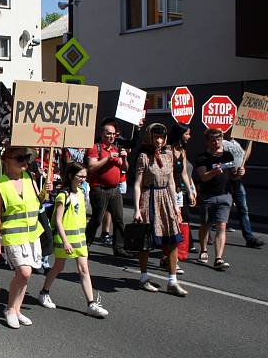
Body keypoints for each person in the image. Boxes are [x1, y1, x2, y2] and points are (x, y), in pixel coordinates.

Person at [38, 162, 108, 316]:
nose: (83, 179)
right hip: (65, 238)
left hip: (80, 238)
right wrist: (65, 241)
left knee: (84, 269)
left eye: (85, 176)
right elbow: (57, 220)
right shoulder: (63, 195)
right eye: (80, 176)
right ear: (71, 176)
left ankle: (91, 304)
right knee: (58, 267)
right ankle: (44, 292)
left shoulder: (81, 193)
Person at [0, 146, 48, 329]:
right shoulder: (0, 183)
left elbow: (38, 202)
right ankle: (9, 309)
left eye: (26, 157)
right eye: (19, 158)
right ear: (6, 160)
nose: (24, 161)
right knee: (24, 272)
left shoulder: (29, 177)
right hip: (13, 235)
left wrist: (45, 191)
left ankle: (16, 309)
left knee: (25, 274)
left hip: (32, 234)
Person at [132, 123, 188, 295]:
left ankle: (172, 281)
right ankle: (143, 278)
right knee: (146, 241)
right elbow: (137, 184)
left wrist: (176, 207)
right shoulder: (143, 156)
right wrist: (136, 209)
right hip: (149, 197)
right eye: (155, 137)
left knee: (173, 239)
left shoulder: (169, 154)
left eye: (161, 137)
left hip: (165, 198)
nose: (158, 140)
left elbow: (171, 181)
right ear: (150, 137)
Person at [85, 120, 131, 257]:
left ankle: (119, 248)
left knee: (119, 219)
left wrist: (125, 159)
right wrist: (108, 159)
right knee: (97, 219)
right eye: (108, 133)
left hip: (114, 189)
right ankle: (86, 244)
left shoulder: (116, 149)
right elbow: (91, 168)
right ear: (102, 133)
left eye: (113, 134)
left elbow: (125, 169)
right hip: (99, 189)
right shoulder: (95, 148)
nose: (111, 136)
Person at [196, 128, 237, 271]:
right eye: (213, 139)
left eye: (218, 139)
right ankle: (203, 249)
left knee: (222, 226)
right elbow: (203, 177)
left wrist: (239, 173)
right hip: (208, 196)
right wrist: (213, 172)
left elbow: (233, 175)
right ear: (207, 141)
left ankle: (218, 258)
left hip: (225, 195)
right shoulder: (202, 158)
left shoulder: (227, 155)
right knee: (206, 225)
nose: (216, 142)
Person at [223, 138, 265, 248]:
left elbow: (244, 157)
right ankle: (208, 235)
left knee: (243, 210)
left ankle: (249, 238)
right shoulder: (221, 141)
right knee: (220, 210)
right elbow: (219, 161)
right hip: (225, 182)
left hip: (237, 181)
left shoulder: (235, 142)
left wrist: (250, 141)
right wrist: (231, 170)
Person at [167, 124, 197, 256]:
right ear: (180, 135)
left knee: (183, 218)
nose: (189, 137)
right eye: (187, 134)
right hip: (168, 190)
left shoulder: (182, 151)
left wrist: (190, 191)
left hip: (179, 190)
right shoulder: (168, 150)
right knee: (170, 220)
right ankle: (167, 253)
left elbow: (184, 173)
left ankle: (180, 248)